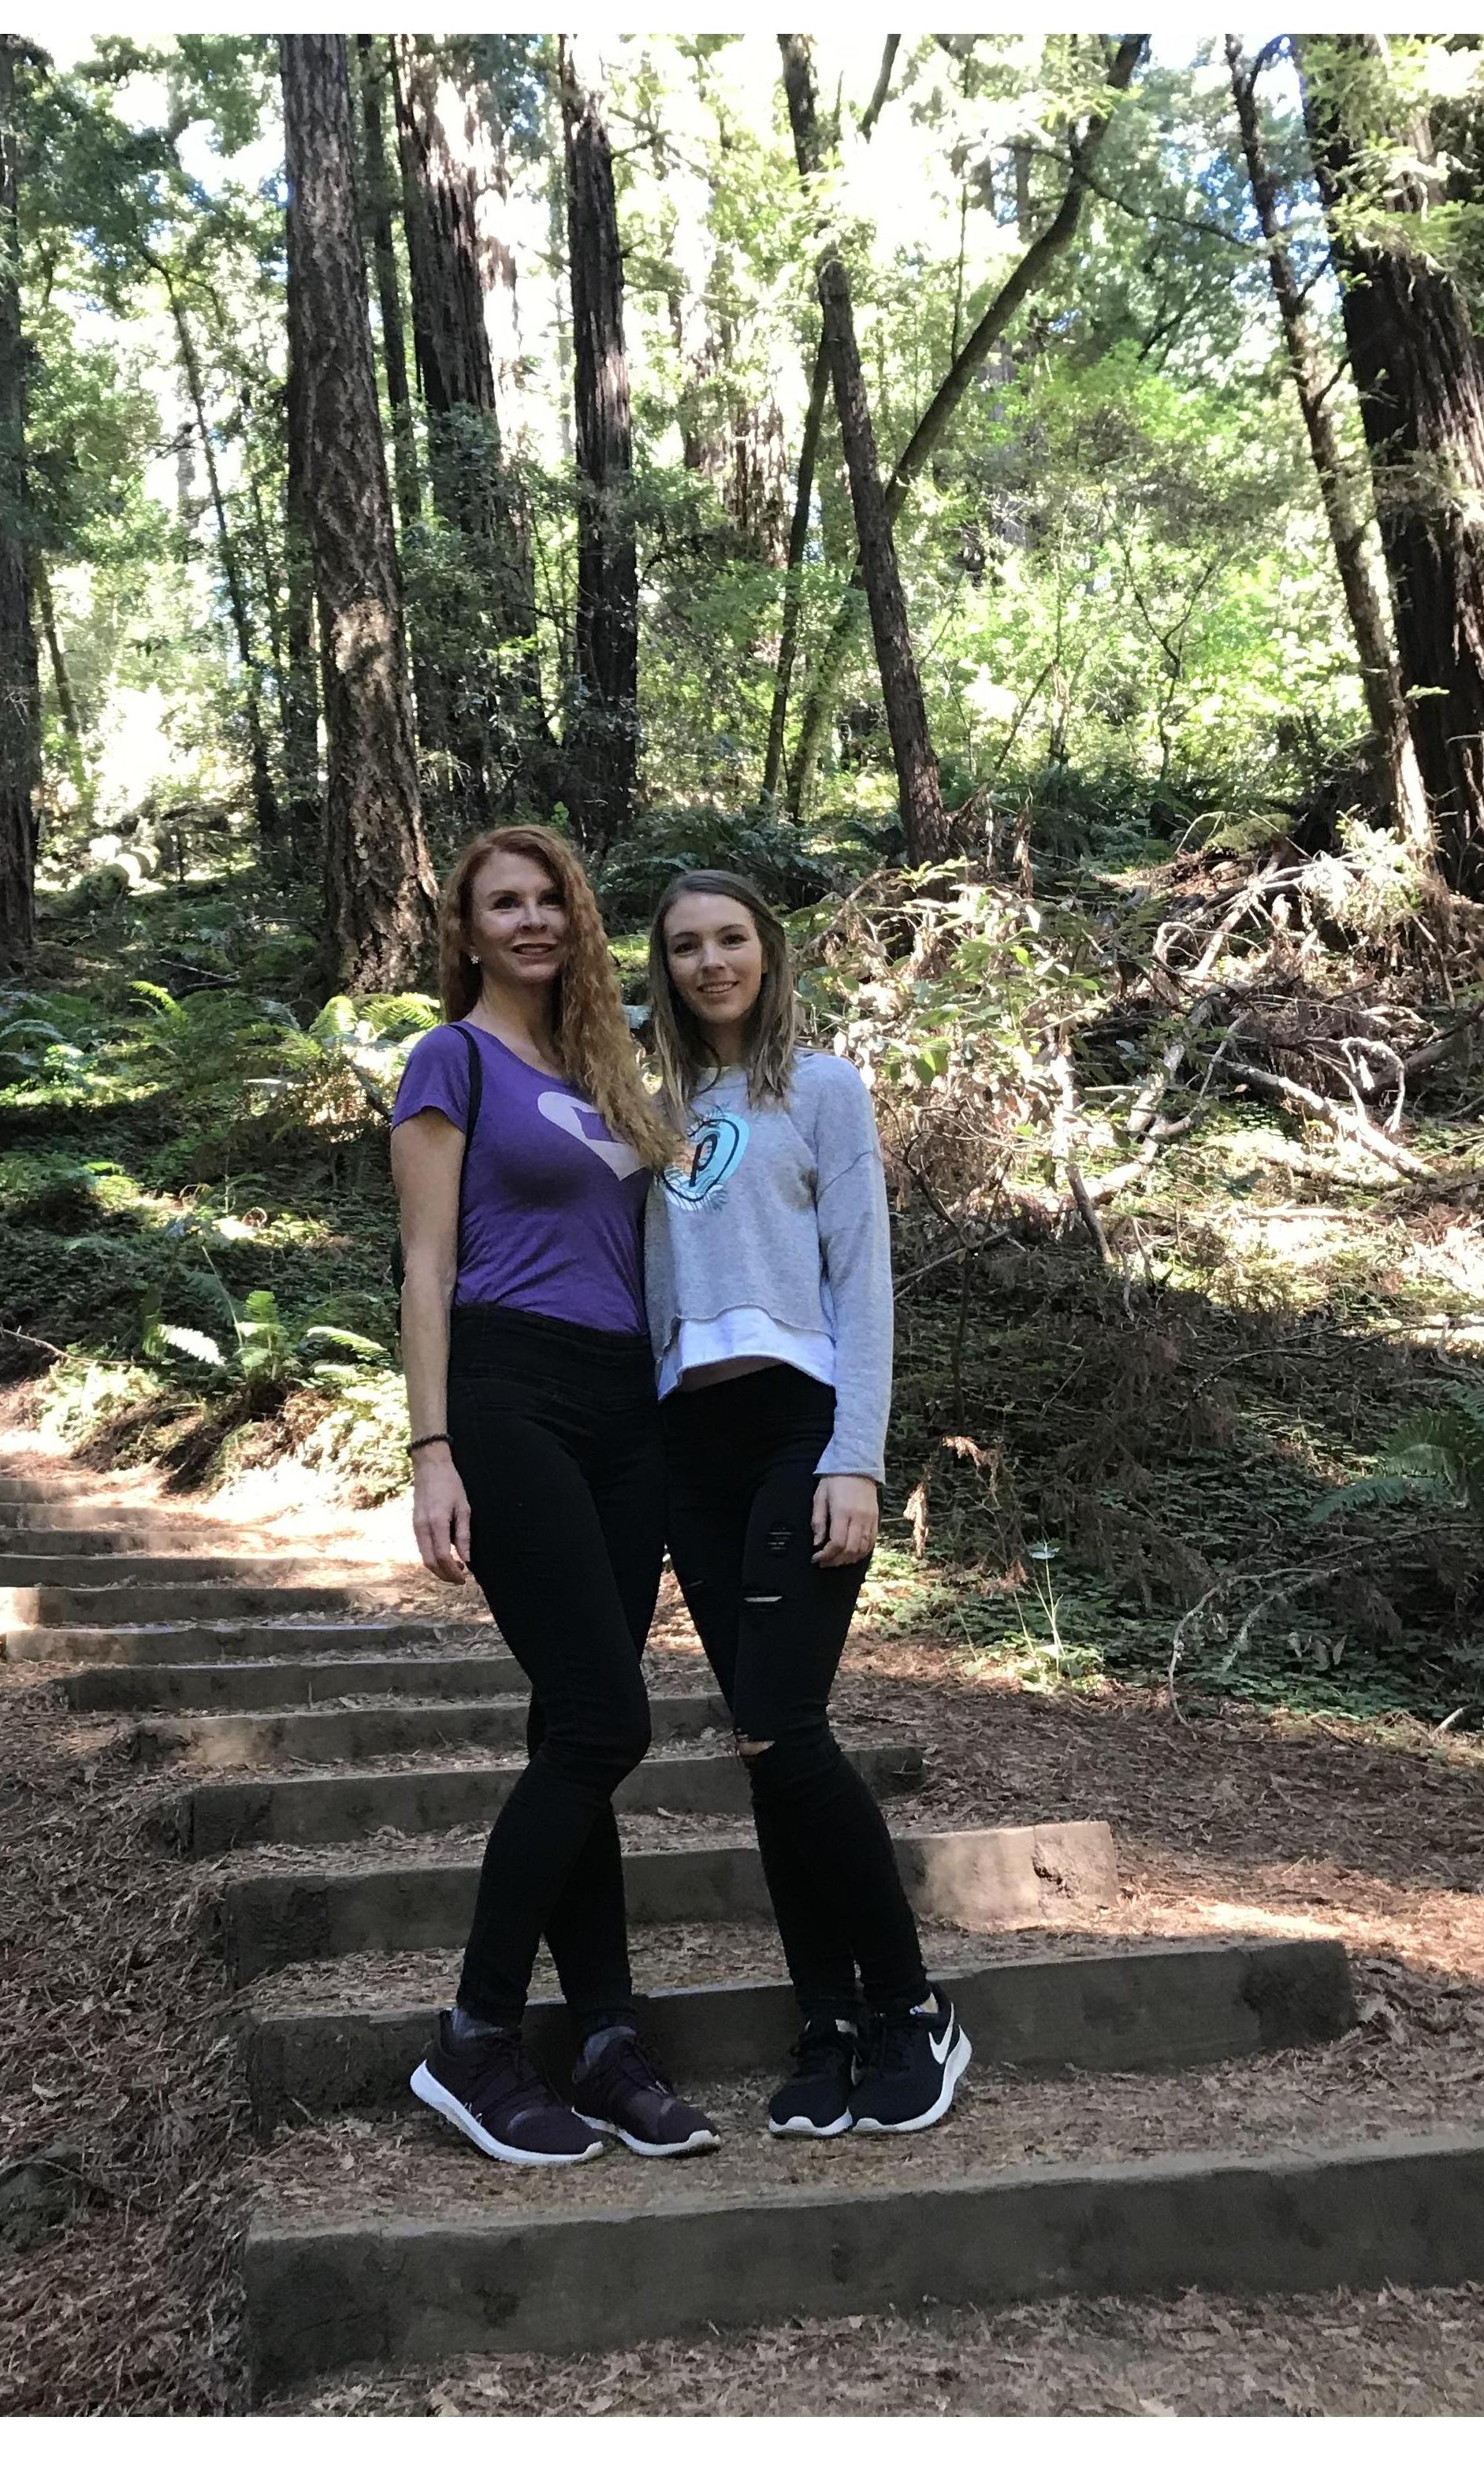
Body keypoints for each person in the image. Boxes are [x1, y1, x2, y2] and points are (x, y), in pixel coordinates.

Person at [391, 824, 716, 2168]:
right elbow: (420, 1266)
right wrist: (430, 1450)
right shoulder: (449, 1059)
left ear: (576, 920)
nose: (530, 921)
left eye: (549, 901)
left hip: (624, 1408)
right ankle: (472, 2034)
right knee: (602, 1719)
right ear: (467, 932)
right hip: (508, 1389)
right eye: (501, 904)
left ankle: (598, 2039)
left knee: (571, 1724)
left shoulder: (610, 1073)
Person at [643, 868, 969, 2137]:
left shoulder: (822, 1088)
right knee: (759, 1746)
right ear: (662, 966)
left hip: (796, 1427)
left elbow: (863, 1282)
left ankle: (912, 2009)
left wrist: (856, 1455)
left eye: (731, 939)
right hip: (688, 1443)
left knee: (782, 1726)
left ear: (767, 954)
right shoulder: (650, 1101)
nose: (711, 961)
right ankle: (824, 2020)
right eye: (685, 945)